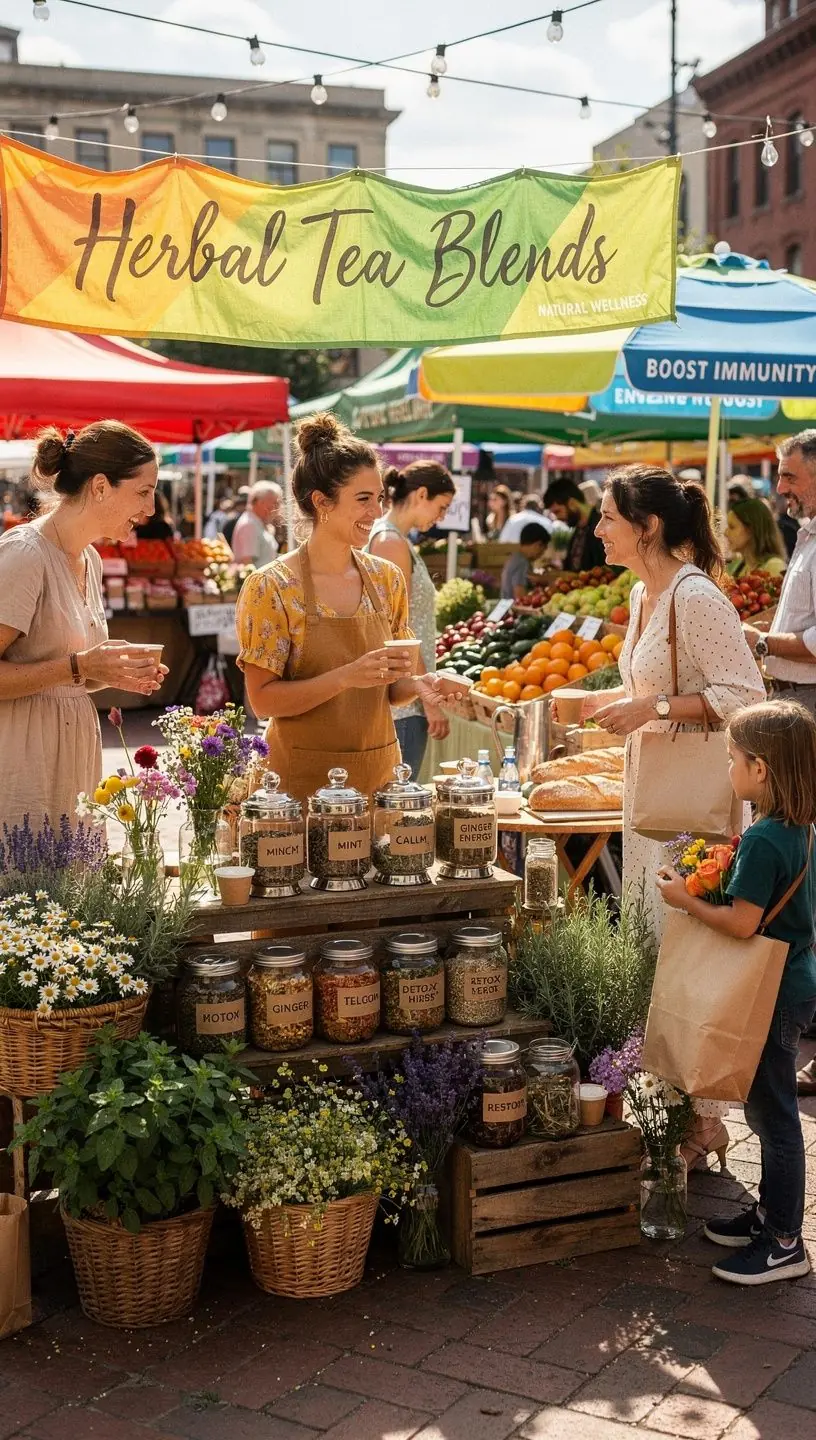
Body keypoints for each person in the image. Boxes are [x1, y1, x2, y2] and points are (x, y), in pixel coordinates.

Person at [588, 465, 765, 1166]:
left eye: (607, 517)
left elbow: (743, 694)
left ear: (647, 526)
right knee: (657, 957)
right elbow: (654, 683)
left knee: (688, 961)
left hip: (693, 813)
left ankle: (702, 1120)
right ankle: (680, 1112)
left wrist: (653, 709)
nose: (598, 530)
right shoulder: (643, 594)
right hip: (653, 805)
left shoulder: (694, 596)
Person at [657, 699, 816, 1285]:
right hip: (794, 979)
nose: (728, 768)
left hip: (770, 992)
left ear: (762, 770)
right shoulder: (798, 826)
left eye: (733, 758)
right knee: (764, 1106)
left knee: (773, 1117)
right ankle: (769, 1216)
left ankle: (783, 1243)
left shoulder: (766, 839)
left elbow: (744, 924)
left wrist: (687, 900)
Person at [236, 414, 433, 802]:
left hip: (377, 778)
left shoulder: (387, 579)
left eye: (378, 499)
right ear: (321, 502)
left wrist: (426, 687)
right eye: (363, 500)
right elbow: (262, 702)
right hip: (296, 788)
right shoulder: (272, 587)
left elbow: (392, 692)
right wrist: (346, 677)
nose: (376, 513)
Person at [0, 422, 166, 834]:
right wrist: (79, 666)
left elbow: (66, 674)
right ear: (99, 487)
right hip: (21, 766)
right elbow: (66, 668)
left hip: (69, 765)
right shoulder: (24, 554)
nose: (151, 510)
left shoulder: (87, 558)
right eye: (143, 492)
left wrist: (110, 669)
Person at [366, 461, 454, 779]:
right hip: (403, 702)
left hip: (404, 694)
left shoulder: (392, 539)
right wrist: (428, 699)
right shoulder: (391, 543)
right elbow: (396, 626)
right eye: (441, 507)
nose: (440, 518)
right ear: (421, 494)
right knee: (395, 807)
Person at [544, 477, 608, 573]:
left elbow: (606, 570)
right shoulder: (578, 530)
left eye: (558, 511)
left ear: (572, 503)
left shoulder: (601, 527)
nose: (557, 518)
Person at [726, 497, 787, 577]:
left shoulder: (774, 566)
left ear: (751, 529)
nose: (726, 533)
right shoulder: (741, 565)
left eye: (732, 527)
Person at [230, 481, 282, 568]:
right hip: (258, 580)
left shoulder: (256, 523)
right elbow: (247, 565)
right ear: (260, 503)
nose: (277, 509)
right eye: (275, 504)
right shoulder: (249, 525)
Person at [500, 522, 550, 601]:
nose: (541, 554)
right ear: (538, 544)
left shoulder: (515, 558)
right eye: (542, 550)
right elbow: (520, 597)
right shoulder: (522, 562)